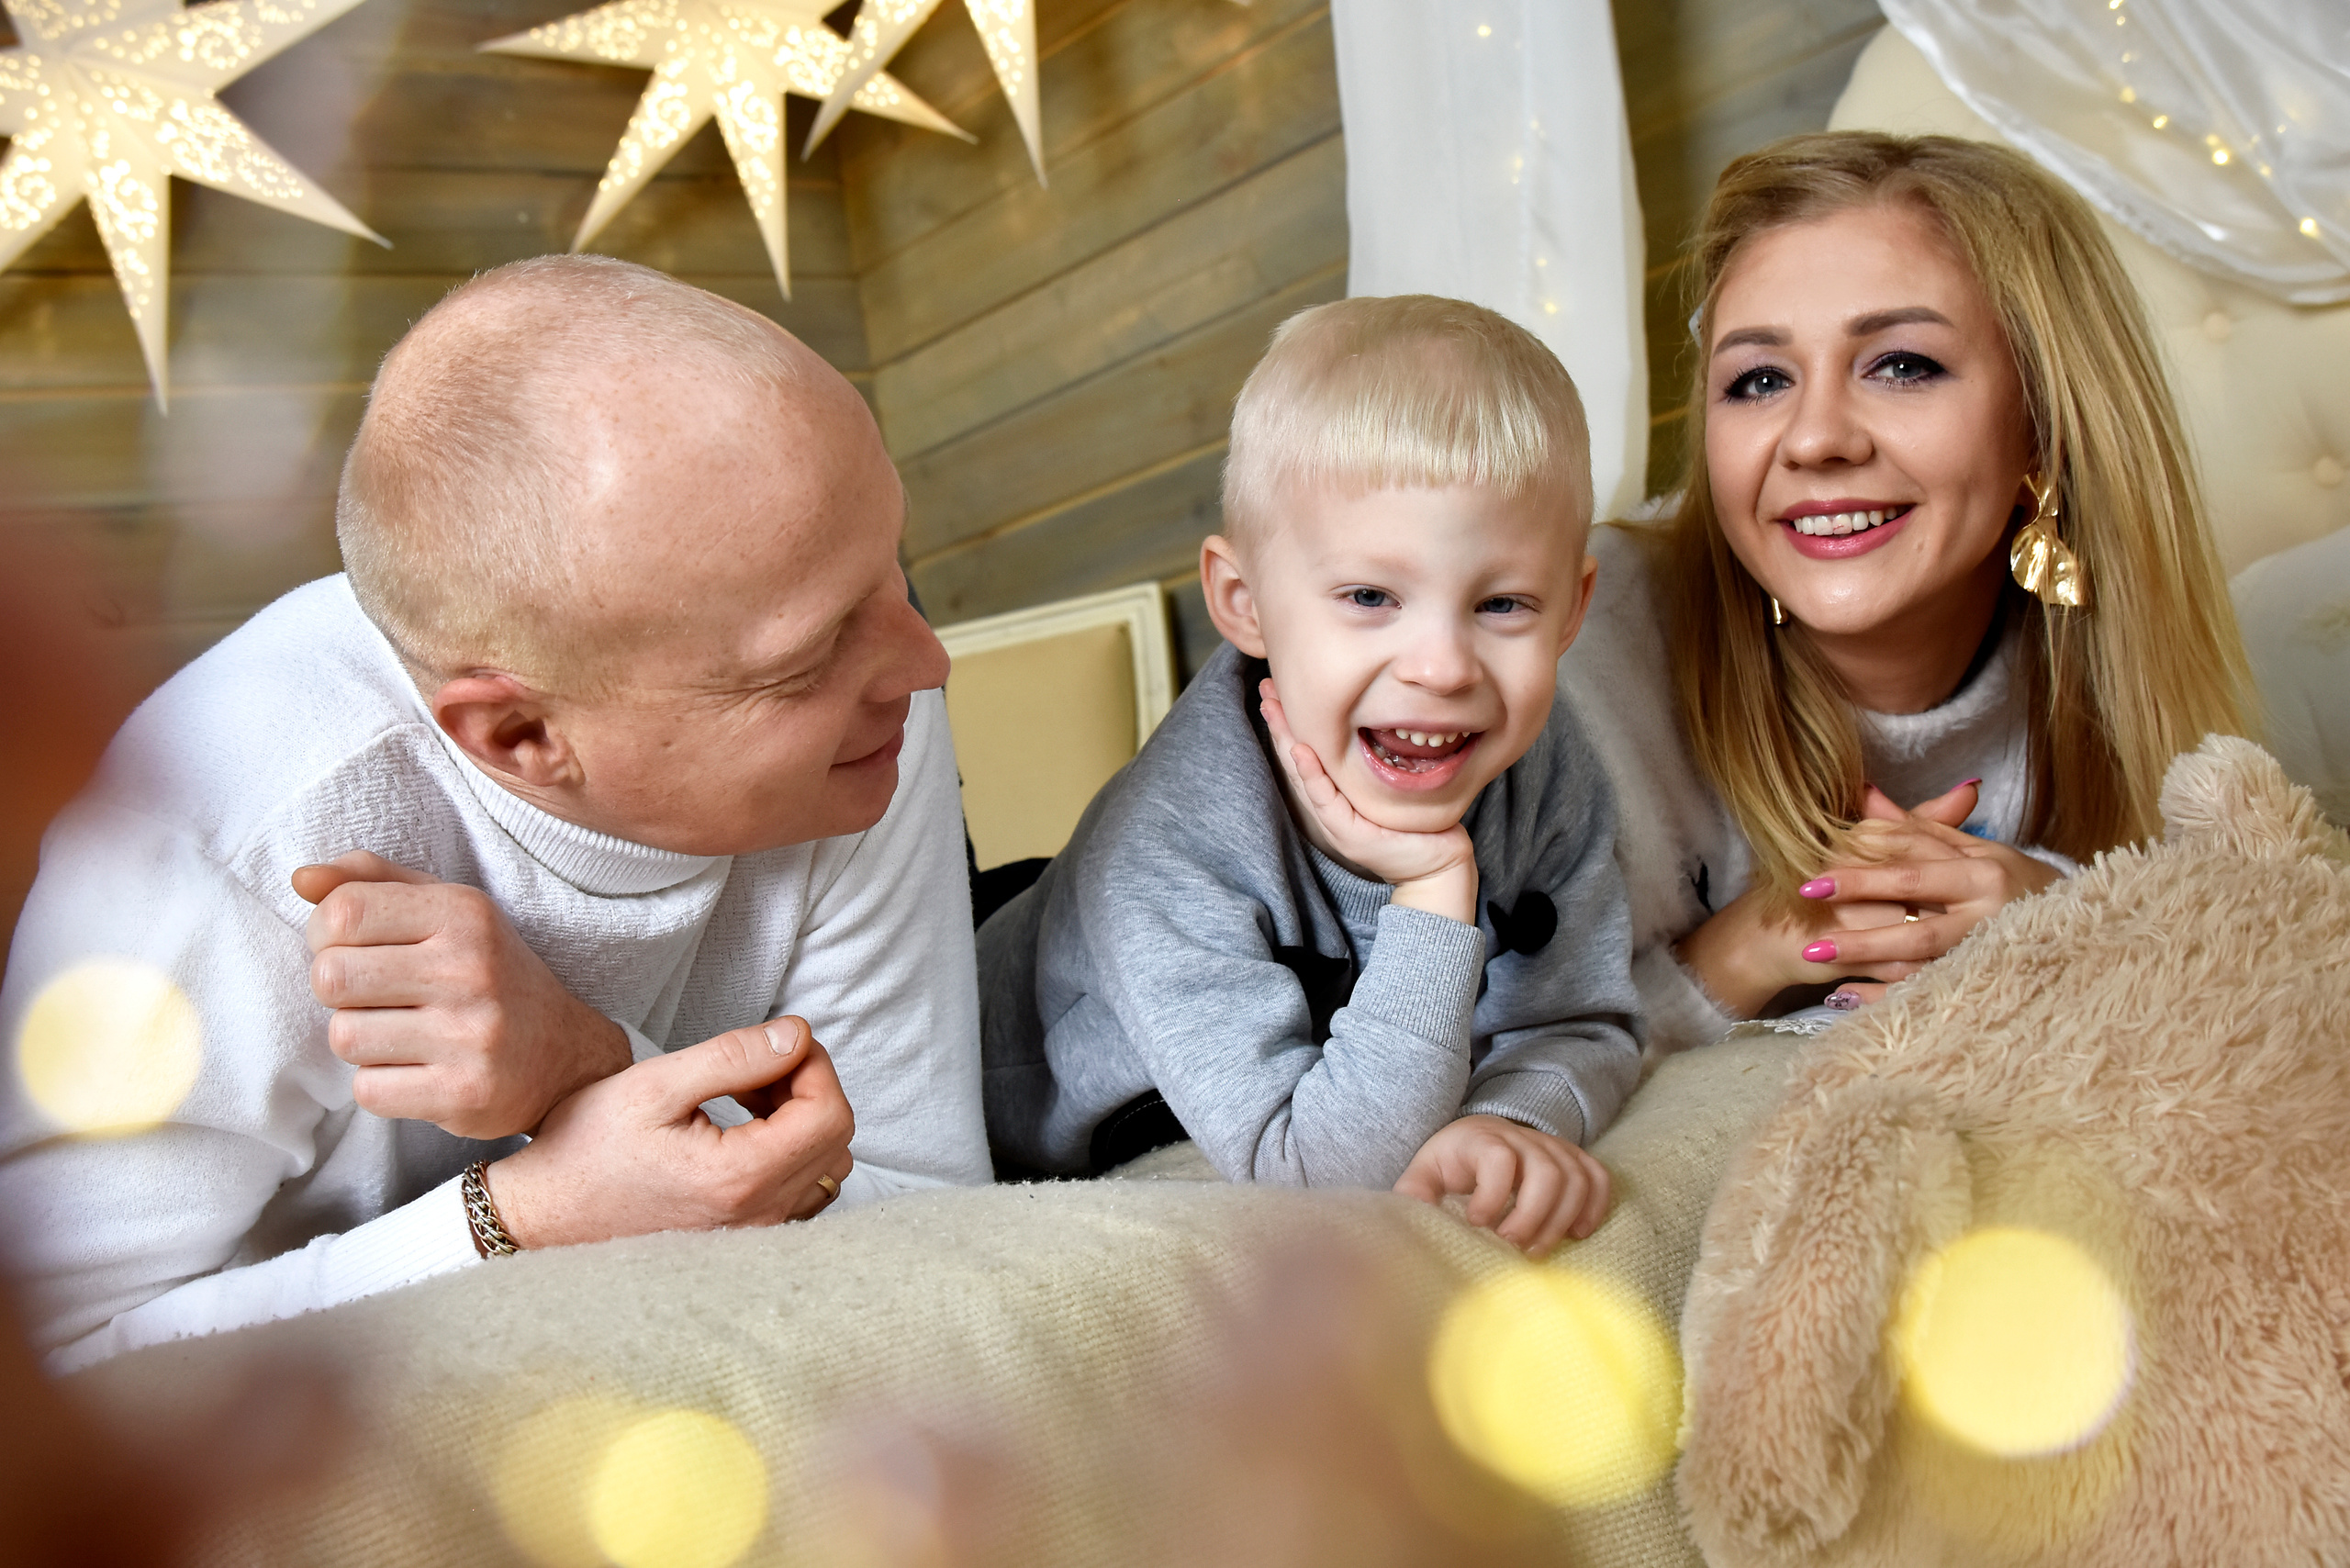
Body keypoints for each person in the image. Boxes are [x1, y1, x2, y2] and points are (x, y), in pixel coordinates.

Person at [0, 255, 990, 1372]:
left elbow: (932, 1217)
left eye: (893, 570)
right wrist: (516, 1216)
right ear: (519, 735)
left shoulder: (868, 721)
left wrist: (582, 1064)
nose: (927, 663)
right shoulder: (218, 837)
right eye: (808, 656)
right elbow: (59, 1375)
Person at [1560, 132, 2251, 1049]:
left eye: (1901, 365)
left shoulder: (2119, 669)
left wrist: (2072, 912)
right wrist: (1748, 949)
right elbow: (1466, 1060)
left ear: (2044, 427)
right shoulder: (1575, 659)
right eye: (1759, 380)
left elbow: (2255, 962)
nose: (1815, 439)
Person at [980, 297, 1641, 1255]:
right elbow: (1322, 1176)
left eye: (1503, 604)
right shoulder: (1166, 852)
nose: (1442, 667)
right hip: (1017, 1049)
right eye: (1371, 596)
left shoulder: (1546, 767)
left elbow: (1582, 1019)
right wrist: (1433, 888)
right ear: (1244, 603)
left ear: (1571, 610)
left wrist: (1509, 1120)